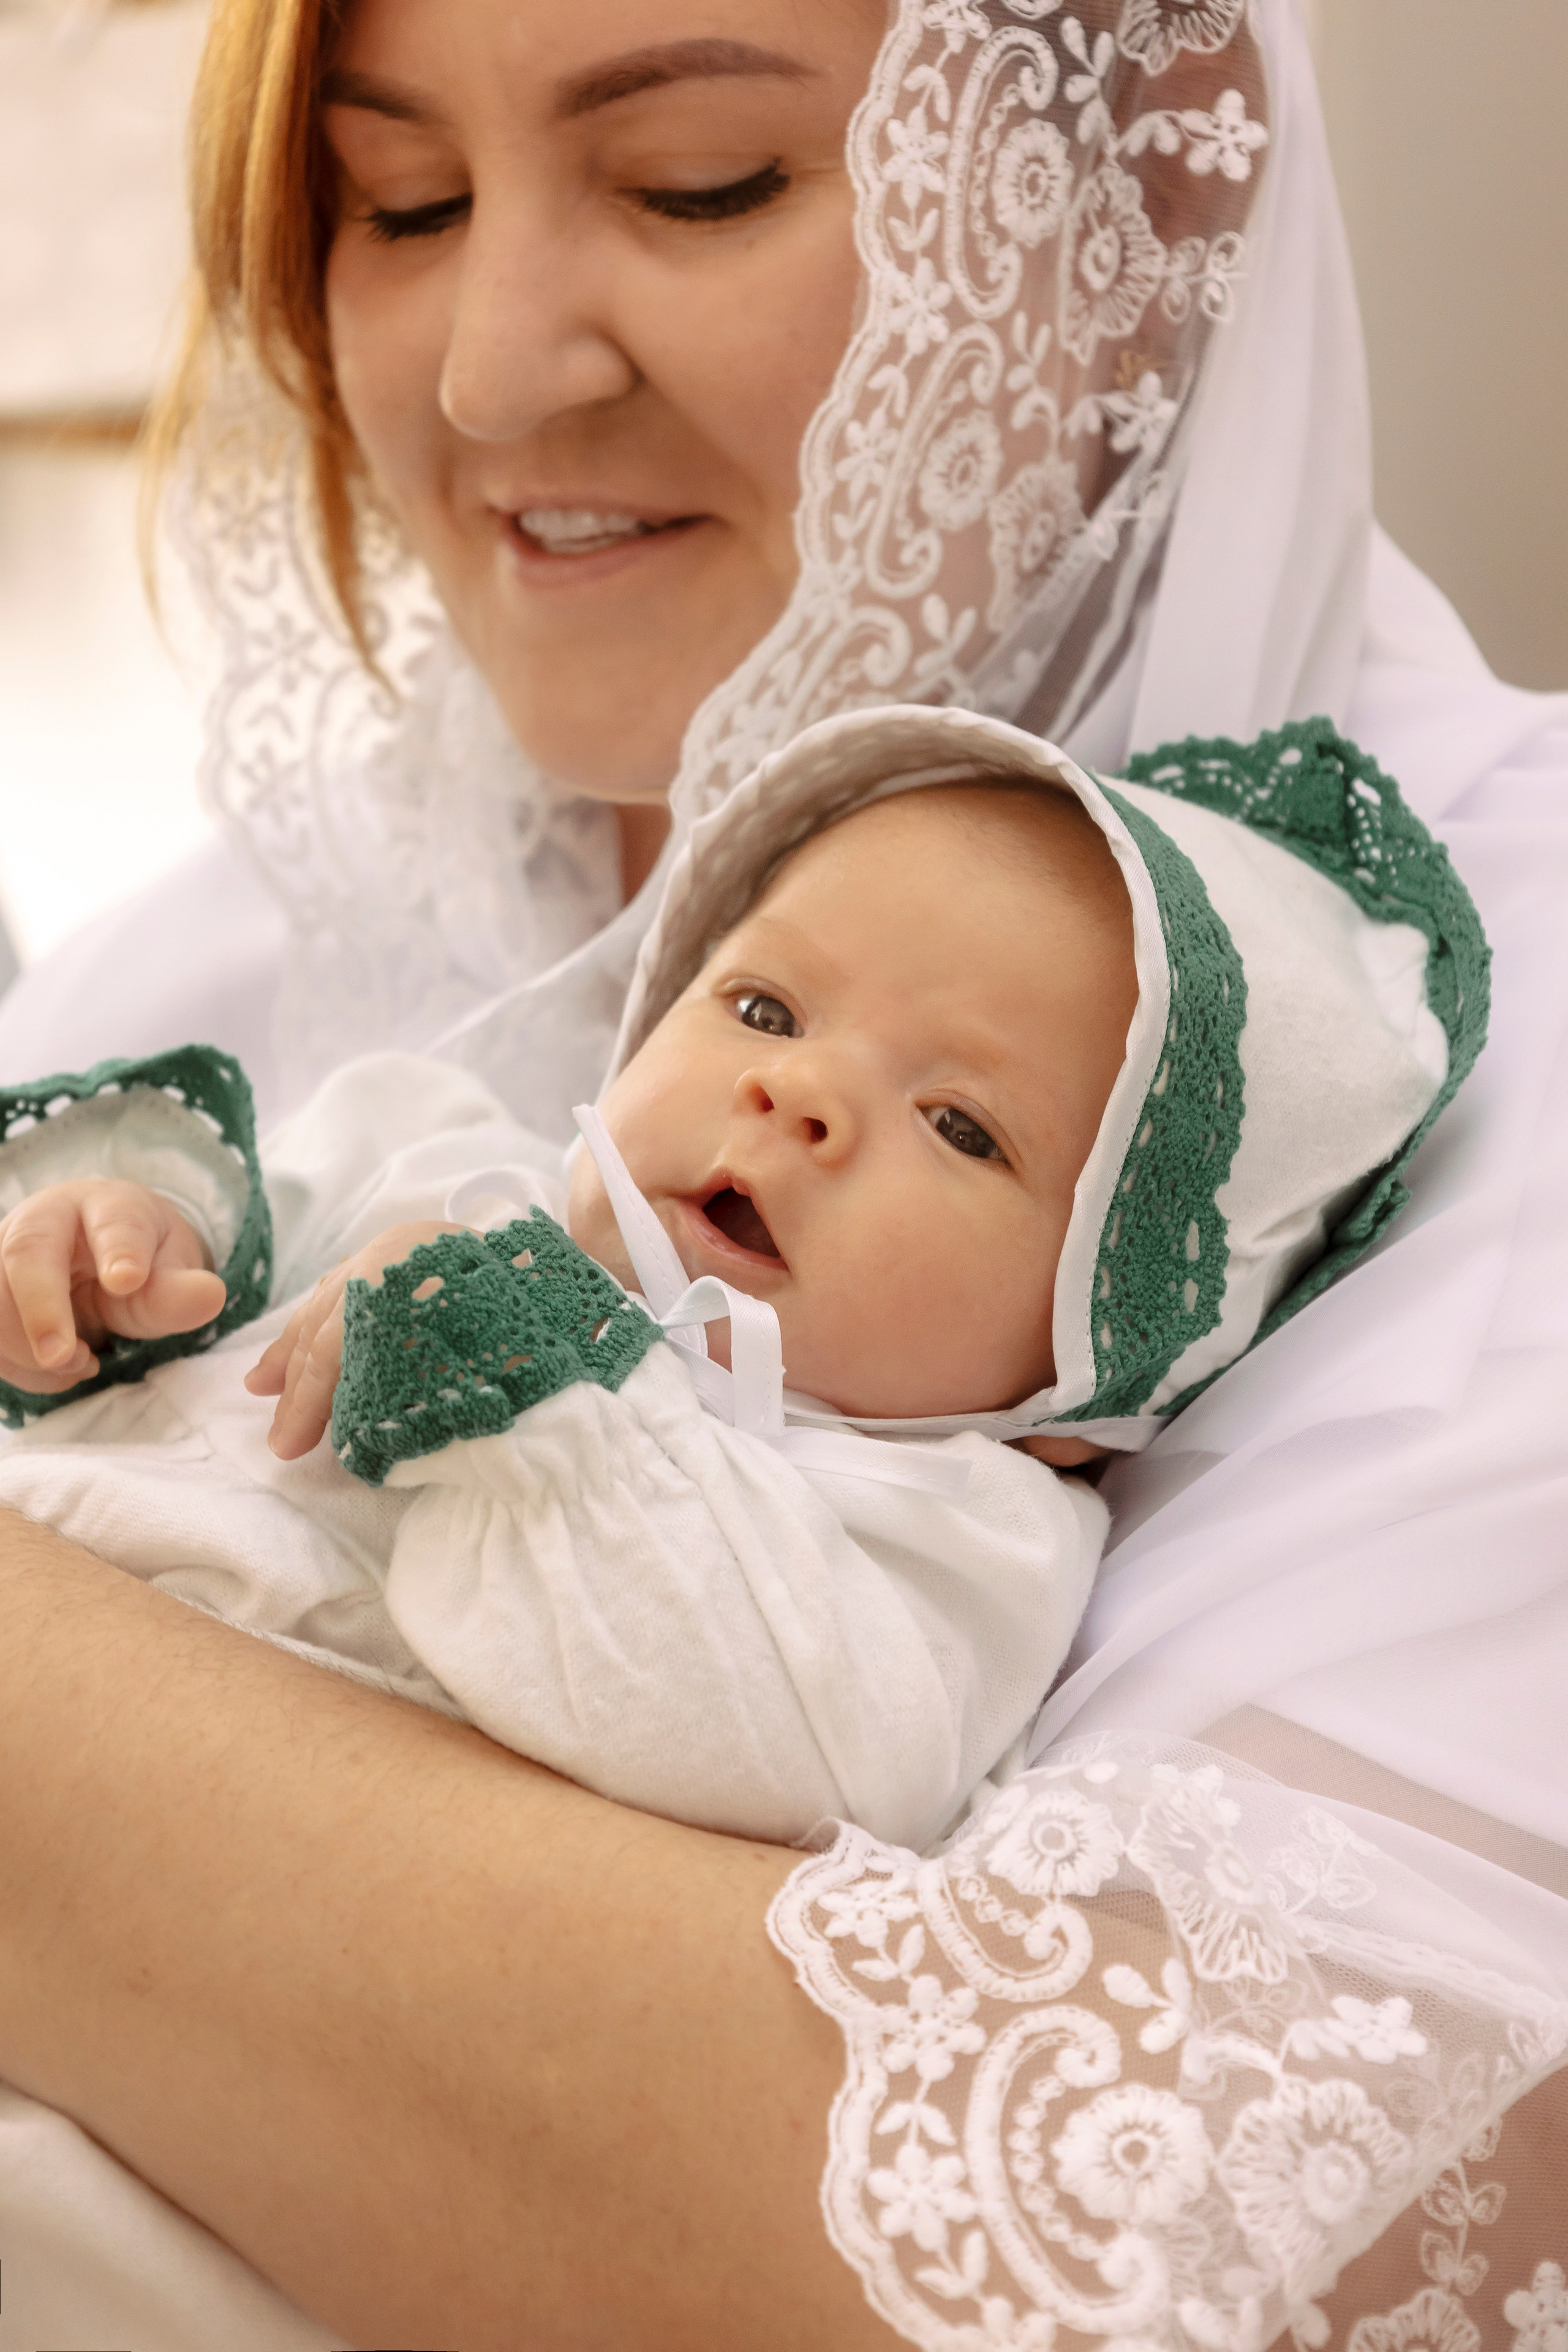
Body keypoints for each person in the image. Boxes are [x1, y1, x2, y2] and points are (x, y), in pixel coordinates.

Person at [0, 0, 1564, 2345]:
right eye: (395, 204)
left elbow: (1087, 2244)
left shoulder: (1479, 1034)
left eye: (702, 182)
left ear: (1148, 196)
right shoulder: (224, 956)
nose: (492, 375)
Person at [0, 713, 1471, 1865]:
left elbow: (779, 1742)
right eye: (762, 1006)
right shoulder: (441, 1163)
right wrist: (114, 1254)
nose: (798, 1089)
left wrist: (533, 1380)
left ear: (1079, 1396)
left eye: (960, 1125)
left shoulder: (949, 1533)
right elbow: (205, 1254)